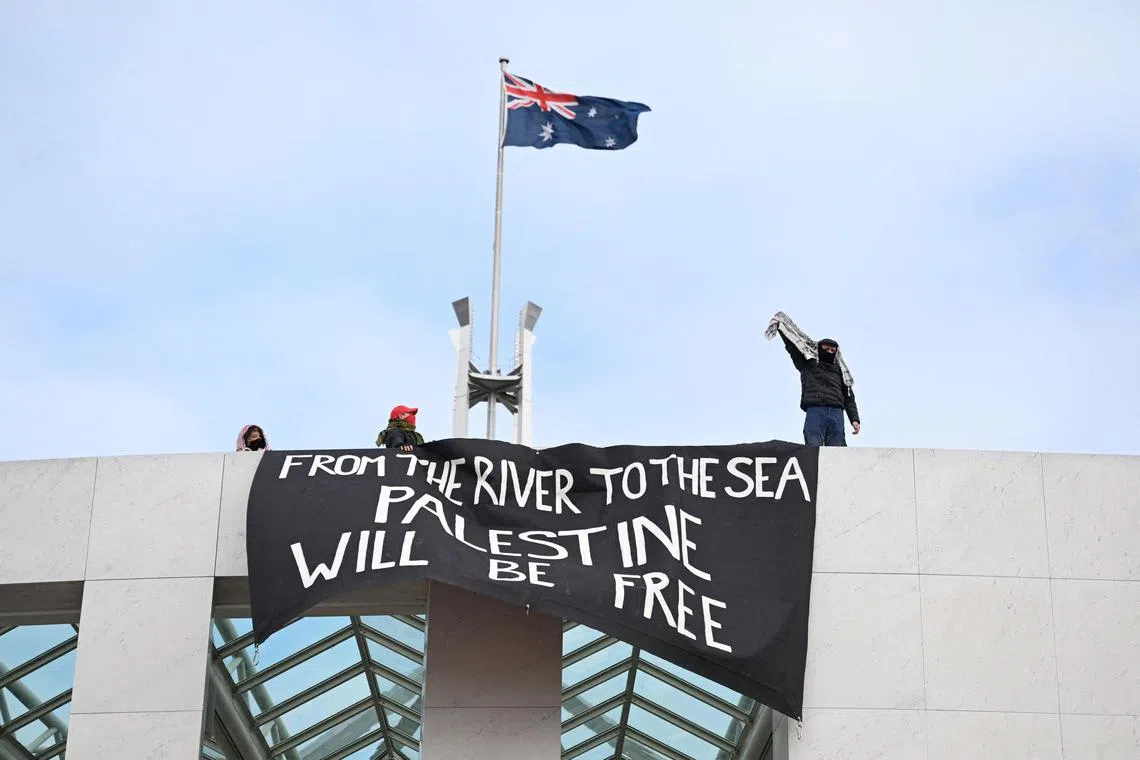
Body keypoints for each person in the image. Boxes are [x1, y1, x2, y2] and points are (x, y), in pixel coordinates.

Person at [766, 311, 860, 446]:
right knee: (813, 447)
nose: (830, 352)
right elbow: (793, 346)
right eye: (826, 349)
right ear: (820, 349)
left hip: (836, 412)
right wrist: (781, 328)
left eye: (832, 350)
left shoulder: (841, 371)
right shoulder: (808, 363)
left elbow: (849, 397)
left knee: (837, 449)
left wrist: (854, 419)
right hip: (815, 409)